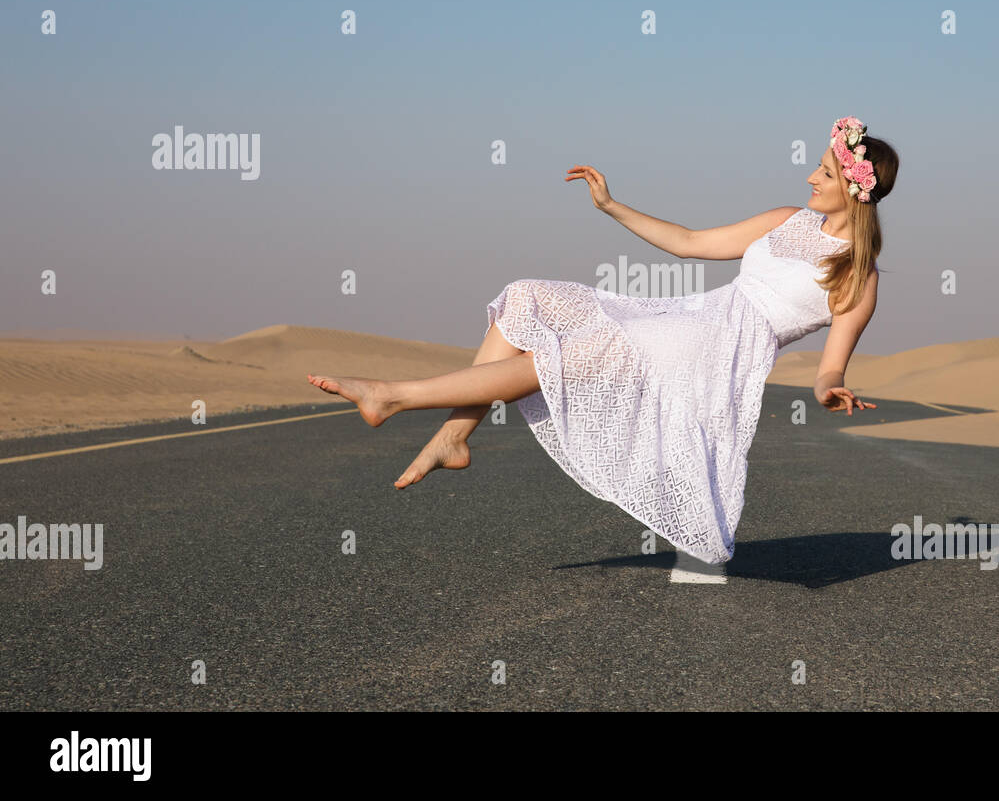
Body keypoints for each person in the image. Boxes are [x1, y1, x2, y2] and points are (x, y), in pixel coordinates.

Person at [308, 116, 898, 564]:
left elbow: (830, 366)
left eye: (824, 171)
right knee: (525, 298)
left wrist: (829, 391)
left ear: (855, 187)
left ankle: (396, 395)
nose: (810, 176)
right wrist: (612, 206)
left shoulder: (857, 277)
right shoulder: (786, 218)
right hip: (691, 314)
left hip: (716, 351)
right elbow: (691, 242)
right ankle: (453, 436)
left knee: (559, 357)